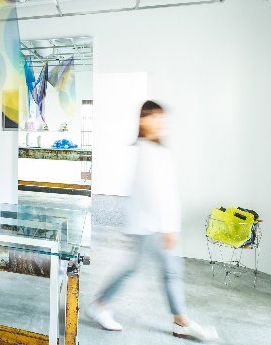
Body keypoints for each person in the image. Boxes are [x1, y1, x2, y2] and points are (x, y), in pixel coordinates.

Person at [86, 100, 219, 342]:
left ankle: (178, 320)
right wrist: (167, 228)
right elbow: (155, 193)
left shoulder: (155, 150)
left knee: (157, 270)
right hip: (153, 226)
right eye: (153, 117)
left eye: (161, 118)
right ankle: (103, 305)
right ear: (142, 120)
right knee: (161, 271)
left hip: (153, 225)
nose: (159, 122)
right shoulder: (148, 151)